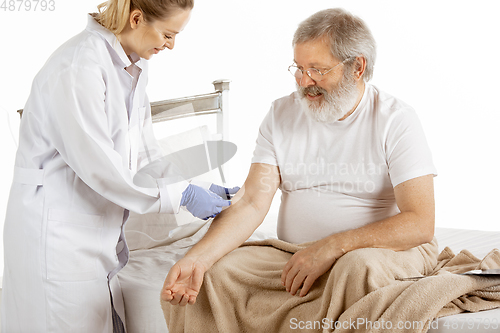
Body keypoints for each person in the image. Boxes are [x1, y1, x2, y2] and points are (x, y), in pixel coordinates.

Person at [160, 7, 437, 327]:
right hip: (294, 253)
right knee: (216, 274)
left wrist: (332, 247)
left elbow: (420, 223)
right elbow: (251, 202)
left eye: (317, 69)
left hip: (380, 253)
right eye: (298, 68)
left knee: (356, 269)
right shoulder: (280, 115)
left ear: (357, 67)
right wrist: (197, 259)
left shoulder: (396, 120)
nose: (304, 82)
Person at [0, 0, 238, 332]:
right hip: (55, 238)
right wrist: (181, 196)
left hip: (93, 237)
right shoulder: (78, 68)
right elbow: (103, 169)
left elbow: (143, 155)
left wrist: (188, 184)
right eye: (168, 34)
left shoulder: (132, 66)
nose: (171, 45)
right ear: (137, 18)